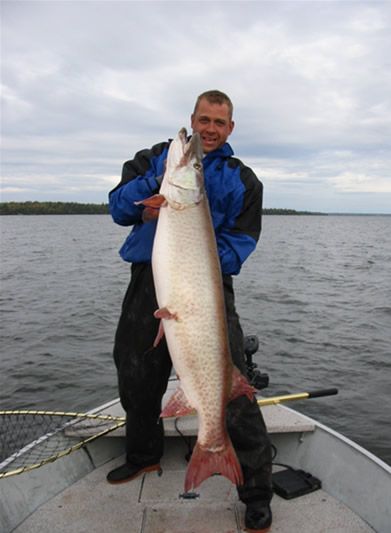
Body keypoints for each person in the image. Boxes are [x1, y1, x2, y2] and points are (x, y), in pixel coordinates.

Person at [108, 90, 273, 533]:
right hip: (150, 280)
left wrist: (199, 261)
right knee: (136, 373)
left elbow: (241, 243)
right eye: (203, 120)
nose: (209, 130)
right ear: (193, 119)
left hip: (206, 288)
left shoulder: (243, 180)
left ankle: (256, 490)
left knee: (230, 382)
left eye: (219, 123)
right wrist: (157, 180)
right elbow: (118, 208)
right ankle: (143, 456)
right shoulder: (154, 160)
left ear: (230, 128)